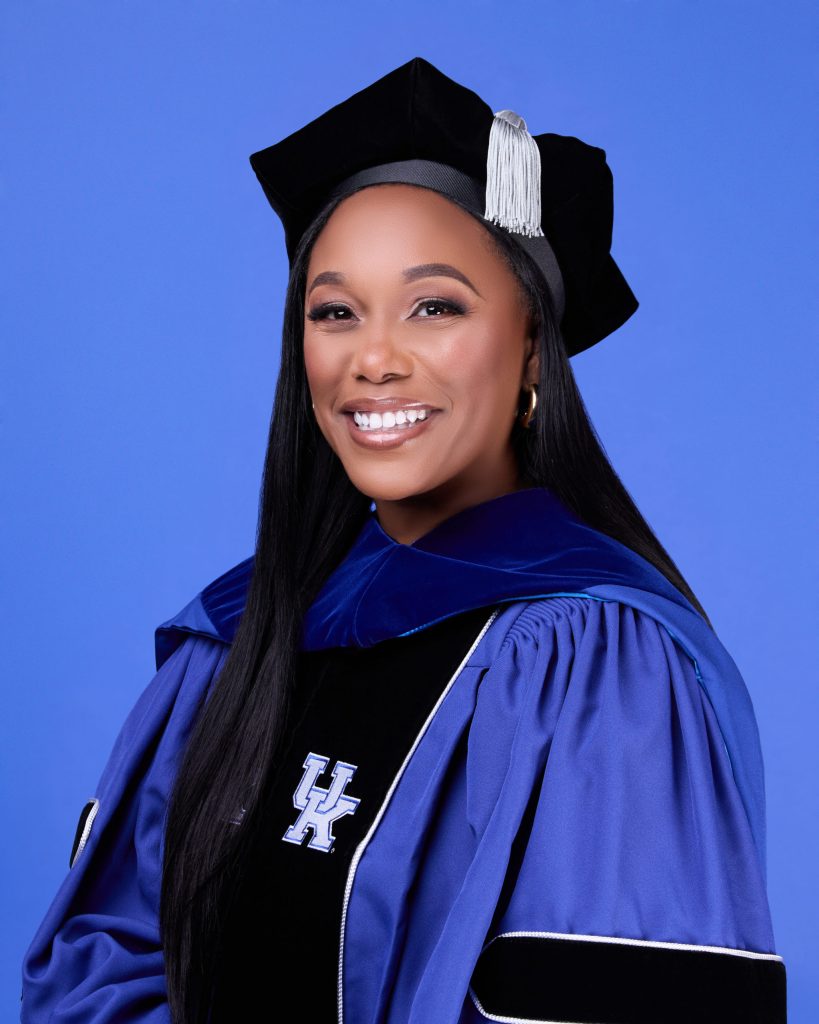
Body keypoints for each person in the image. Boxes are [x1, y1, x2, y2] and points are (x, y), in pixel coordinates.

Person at [21, 56, 786, 1023]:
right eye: (335, 312)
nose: (373, 359)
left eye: (435, 306)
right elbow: (107, 964)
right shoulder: (232, 643)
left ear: (532, 352)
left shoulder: (597, 667)